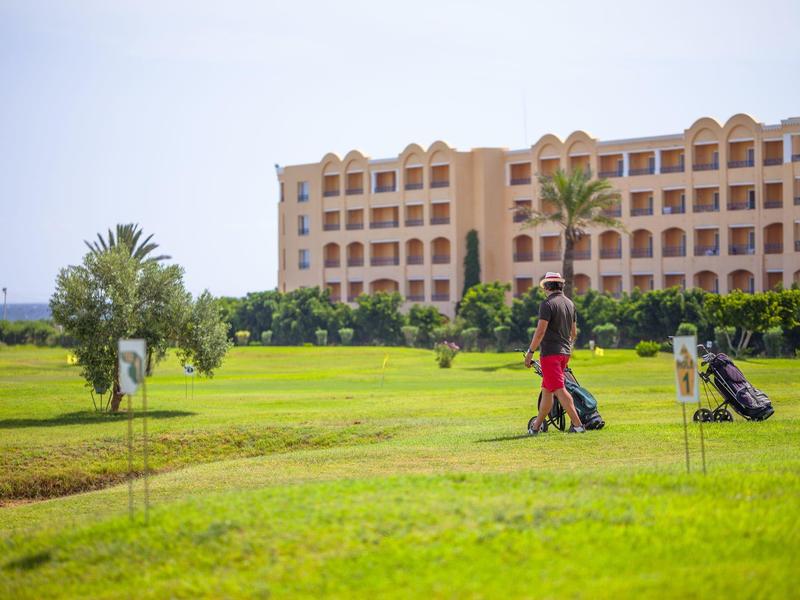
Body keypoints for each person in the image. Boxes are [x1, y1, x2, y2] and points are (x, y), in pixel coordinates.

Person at [524, 272, 584, 434]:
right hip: (565, 353)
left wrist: (530, 352)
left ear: (546, 286)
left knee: (559, 388)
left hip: (550, 354)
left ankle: (578, 425)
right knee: (547, 391)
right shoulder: (570, 304)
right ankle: (536, 427)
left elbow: (540, 331)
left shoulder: (547, 304)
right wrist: (565, 346)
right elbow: (573, 333)